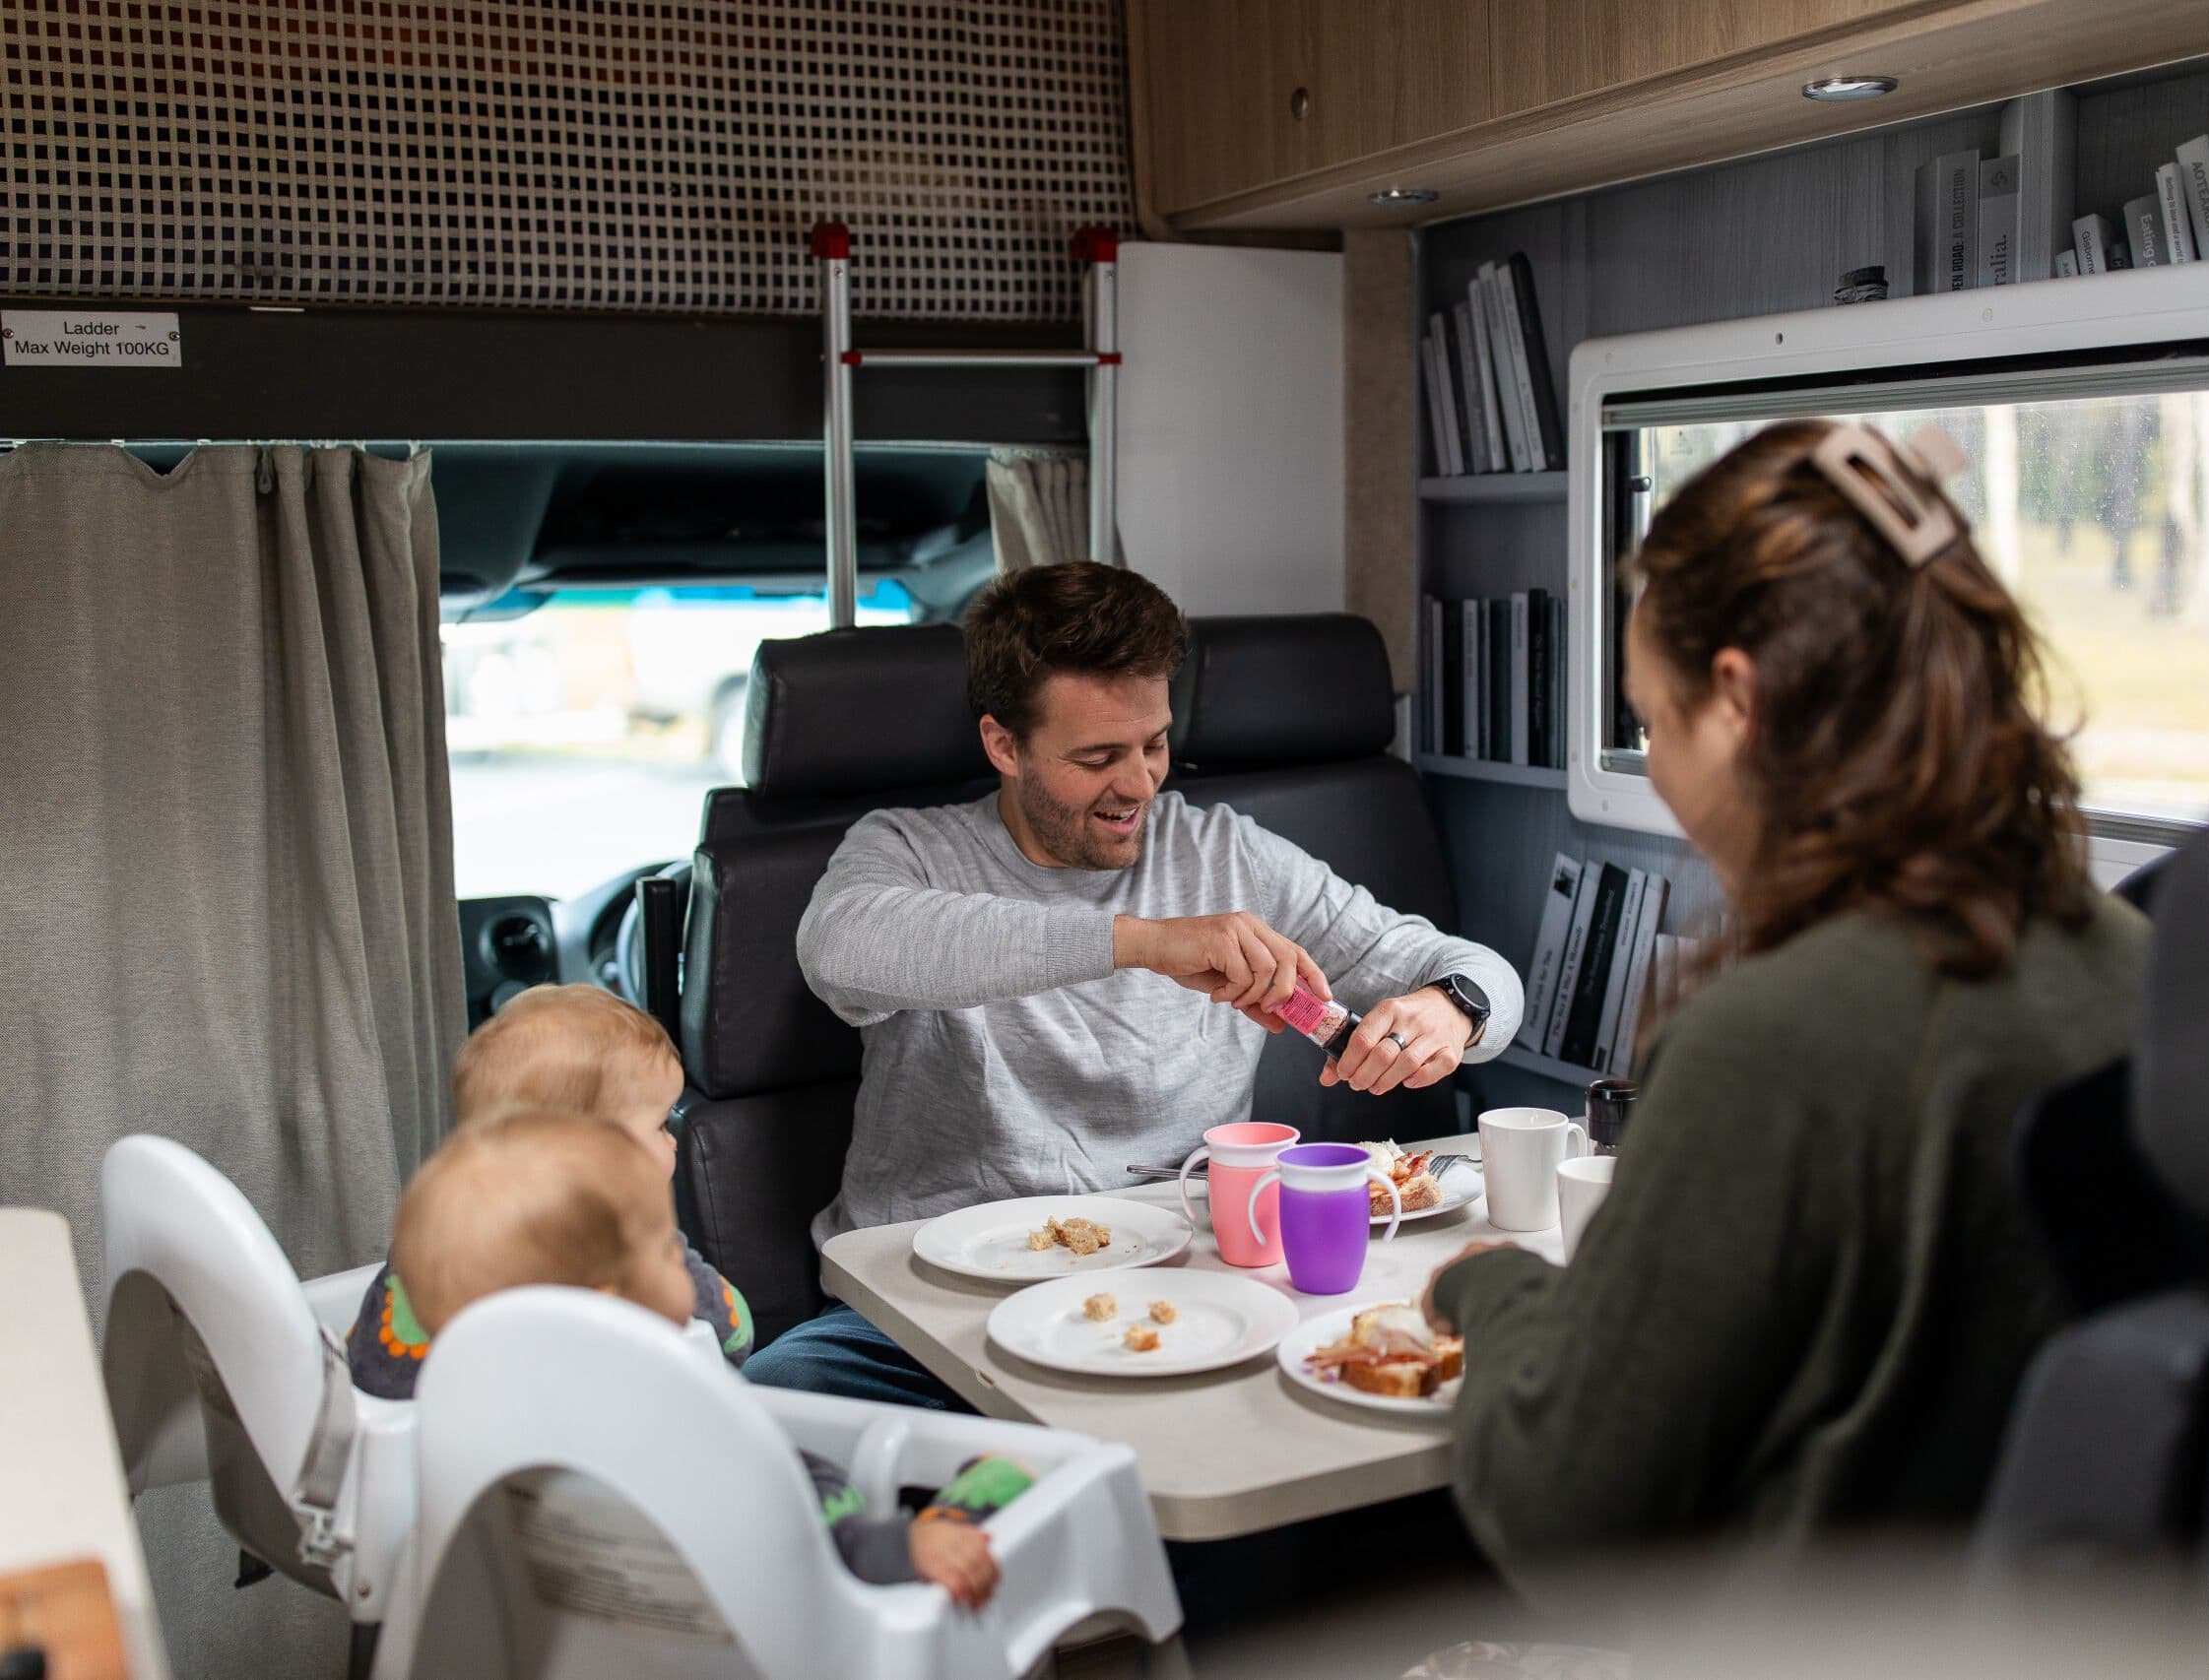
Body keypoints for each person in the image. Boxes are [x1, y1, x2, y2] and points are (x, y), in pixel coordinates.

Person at [1420, 420, 2149, 1576]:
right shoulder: (2132, 954)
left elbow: (1567, 1510)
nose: (1658, 766)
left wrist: (1490, 1287)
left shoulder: (1767, 1040)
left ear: (1736, 701)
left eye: (1651, 722)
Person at [747, 562, 1522, 1403]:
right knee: (781, 1395)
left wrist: (1454, 1010)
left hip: (1180, 1286)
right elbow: (841, 950)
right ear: (1004, 745)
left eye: (1153, 744)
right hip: (933, 1303)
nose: (1140, 783)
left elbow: (1479, 974)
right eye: (1097, 757)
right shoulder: (908, 850)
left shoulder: (1226, 854)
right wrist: (1140, 943)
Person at [392, 1112, 1022, 1605]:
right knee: (1004, 1478)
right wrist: (909, 1548)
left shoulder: (466, 1445)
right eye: (669, 1251)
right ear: (608, 1309)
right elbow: (804, 1547)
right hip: (765, 1634)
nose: (687, 1263)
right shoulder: (684, 1429)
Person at [349, 984, 752, 1397]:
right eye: (660, 1125)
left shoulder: (429, 1239)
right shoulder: (635, 1238)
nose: (672, 1141)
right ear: (595, 1149)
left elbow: (371, 1372)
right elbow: (732, 1335)